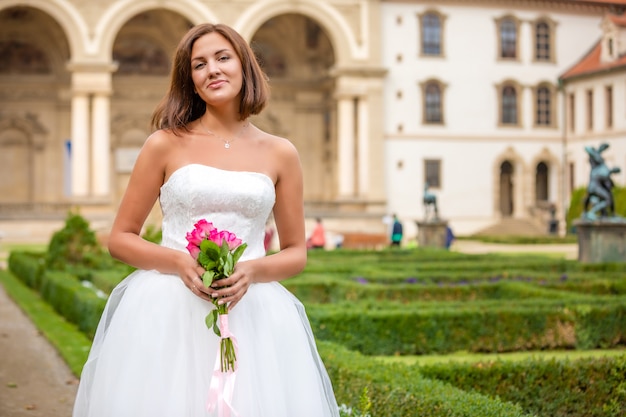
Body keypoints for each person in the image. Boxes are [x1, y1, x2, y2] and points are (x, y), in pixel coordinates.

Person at [73, 23, 339, 417]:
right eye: (199, 64)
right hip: (167, 310)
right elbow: (120, 238)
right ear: (191, 82)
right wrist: (178, 260)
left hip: (254, 315)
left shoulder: (281, 152)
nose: (212, 69)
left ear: (245, 67)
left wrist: (252, 271)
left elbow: (297, 253)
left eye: (222, 58)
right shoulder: (164, 144)